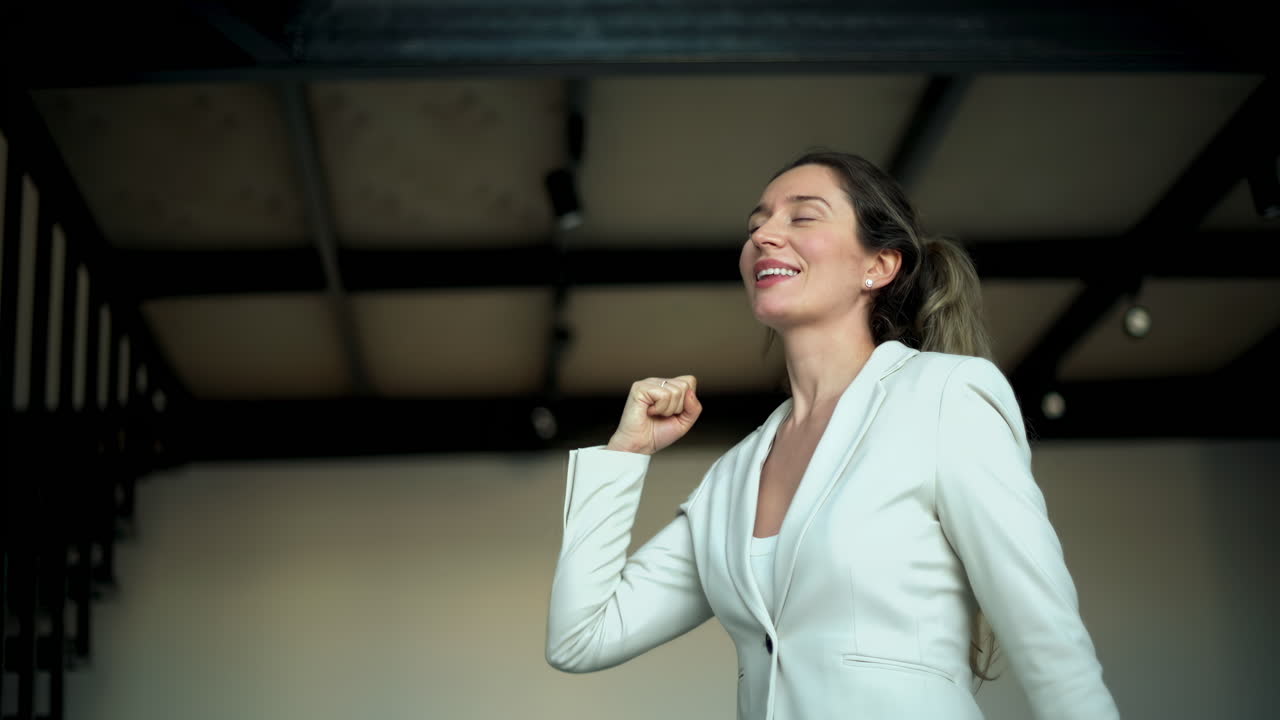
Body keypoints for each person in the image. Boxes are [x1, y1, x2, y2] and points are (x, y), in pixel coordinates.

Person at [545, 150, 1118, 720]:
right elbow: (581, 638)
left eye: (802, 216)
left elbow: (1051, 643)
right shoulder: (733, 476)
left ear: (879, 265)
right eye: (756, 224)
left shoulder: (944, 395)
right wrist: (625, 453)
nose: (765, 235)